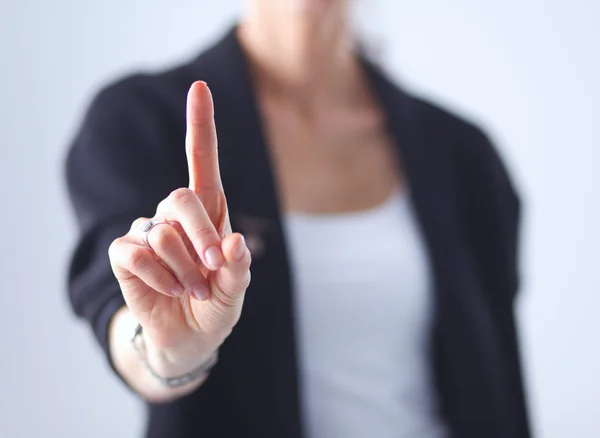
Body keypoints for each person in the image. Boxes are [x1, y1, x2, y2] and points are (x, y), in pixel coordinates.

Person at [65, 1, 531, 437]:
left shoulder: (461, 154)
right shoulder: (141, 122)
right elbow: (121, 314)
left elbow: (497, 383)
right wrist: (172, 351)